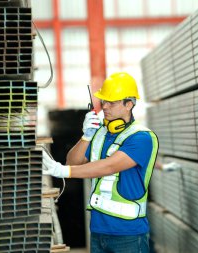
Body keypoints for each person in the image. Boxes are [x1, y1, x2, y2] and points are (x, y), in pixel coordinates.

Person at [42, 72, 159, 253]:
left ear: (129, 104)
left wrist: (63, 171)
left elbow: (109, 166)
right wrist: (86, 136)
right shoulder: (100, 133)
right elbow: (73, 161)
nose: (104, 106)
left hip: (128, 233)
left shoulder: (141, 138)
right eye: (103, 101)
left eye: (111, 102)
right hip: (97, 229)